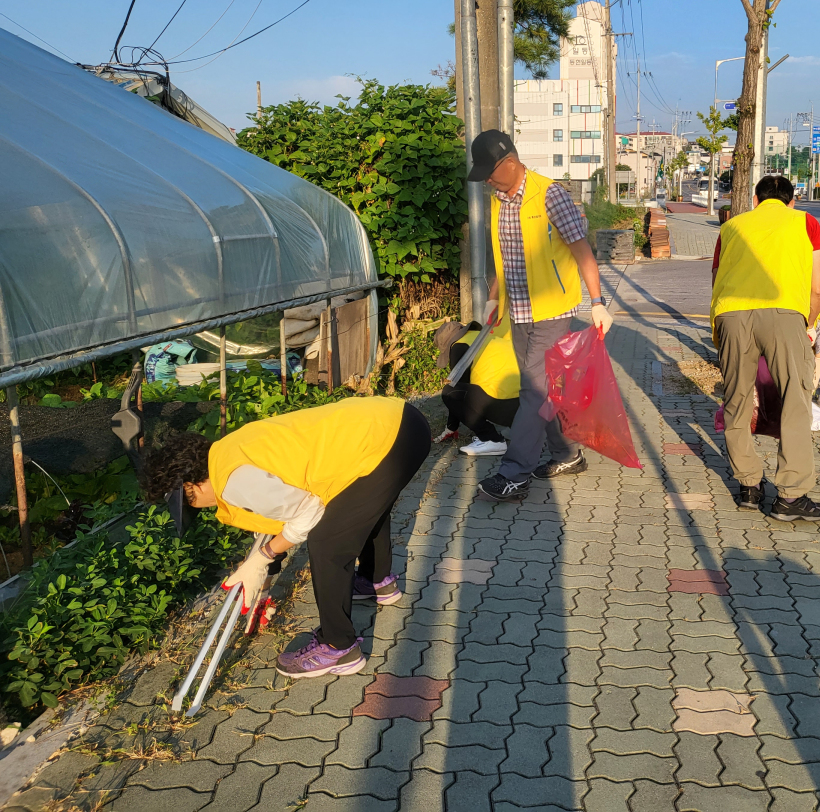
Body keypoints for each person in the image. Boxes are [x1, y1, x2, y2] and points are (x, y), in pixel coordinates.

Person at [141, 397, 430, 678]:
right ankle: (375, 581)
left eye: (189, 503)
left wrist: (263, 557)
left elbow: (309, 514)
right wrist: (262, 587)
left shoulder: (232, 482)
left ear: (193, 486)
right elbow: (270, 519)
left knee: (326, 543)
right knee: (360, 509)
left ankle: (338, 647)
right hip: (399, 422)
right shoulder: (224, 453)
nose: (197, 508)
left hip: (384, 440)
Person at [466, 130, 613, 503]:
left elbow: (582, 251)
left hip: (553, 312)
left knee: (534, 391)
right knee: (540, 392)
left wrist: (597, 301)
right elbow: (505, 257)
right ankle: (567, 455)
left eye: (490, 171)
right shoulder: (499, 199)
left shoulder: (550, 195)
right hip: (518, 311)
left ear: (510, 163)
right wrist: (494, 299)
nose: (486, 179)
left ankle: (515, 474)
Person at [710, 174, 820, 523]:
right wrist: (808, 323)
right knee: (795, 400)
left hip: (732, 314)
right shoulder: (806, 222)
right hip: (784, 313)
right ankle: (790, 496)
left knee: (736, 399)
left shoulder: (732, 226)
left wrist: (719, 324)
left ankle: (748, 487)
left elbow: (716, 279)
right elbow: (817, 286)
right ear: (792, 201)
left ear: (757, 201)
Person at [435, 317, 521, 456]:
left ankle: (492, 440)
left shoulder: (458, 347)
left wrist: (451, 427)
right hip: (524, 403)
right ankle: (518, 429)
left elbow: (456, 393)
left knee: (448, 392)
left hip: (504, 406)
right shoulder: (484, 336)